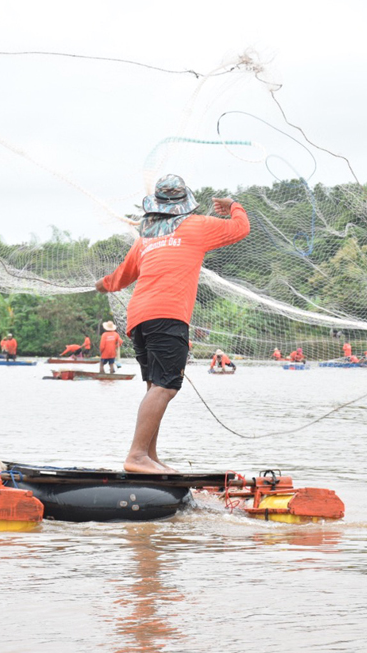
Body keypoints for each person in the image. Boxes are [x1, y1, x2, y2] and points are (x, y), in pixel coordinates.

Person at [95, 174, 250, 473]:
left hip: (139, 319)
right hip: (167, 316)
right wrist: (233, 205)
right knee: (166, 387)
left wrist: (100, 285)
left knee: (155, 385)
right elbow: (241, 228)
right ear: (184, 205)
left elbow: (118, 280)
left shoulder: (146, 240)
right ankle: (137, 456)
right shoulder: (197, 226)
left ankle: (148, 456)